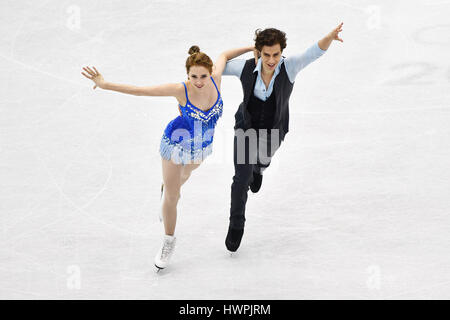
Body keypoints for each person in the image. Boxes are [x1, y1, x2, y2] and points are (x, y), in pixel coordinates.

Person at [81, 44, 256, 271]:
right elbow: (140, 90)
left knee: (184, 177)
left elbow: (224, 54)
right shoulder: (180, 89)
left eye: (203, 75)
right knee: (174, 196)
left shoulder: (216, 77)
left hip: (201, 146)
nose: (199, 81)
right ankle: (168, 241)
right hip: (175, 144)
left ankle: (167, 189)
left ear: (210, 71)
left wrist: (254, 46)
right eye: (194, 76)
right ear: (187, 75)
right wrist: (105, 84)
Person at [222, 23, 344, 253]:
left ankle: (259, 170)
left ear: (281, 51)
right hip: (246, 128)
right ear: (259, 51)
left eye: (275, 54)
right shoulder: (245, 68)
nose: (271, 60)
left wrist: (329, 36)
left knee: (261, 163)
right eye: (266, 54)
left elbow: (314, 52)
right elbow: (217, 67)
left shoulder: (290, 67)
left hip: (274, 131)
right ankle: (236, 223)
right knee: (241, 177)